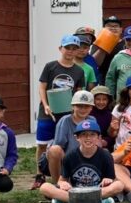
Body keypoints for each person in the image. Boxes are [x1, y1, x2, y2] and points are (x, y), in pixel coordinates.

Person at [32, 35, 87, 189]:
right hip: (48, 111)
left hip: (67, 112)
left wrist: (75, 108)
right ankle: (39, 174)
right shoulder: (50, 66)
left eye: (74, 49)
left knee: (66, 143)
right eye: (67, 48)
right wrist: (46, 105)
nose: (70, 51)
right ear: (60, 49)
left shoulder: (79, 71)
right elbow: (42, 87)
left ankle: (64, 174)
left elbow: (79, 91)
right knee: (42, 144)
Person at [39, 119, 123, 203]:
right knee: (44, 187)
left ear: (99, 137)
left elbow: (112, 180)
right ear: (77, 138)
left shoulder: (105, 155)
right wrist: (63, 183)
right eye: (84, 135)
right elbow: (62, 180)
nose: (88, 138)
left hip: (97, 189)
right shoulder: (70, 156)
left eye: (92, 135)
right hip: (76, 190)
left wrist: (108, 180)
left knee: (119, 185)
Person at [41, 90, 96, 185]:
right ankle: (58, 184)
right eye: (79, 106)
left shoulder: (93, 120)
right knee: (55, 150)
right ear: (73, 106)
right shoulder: (65, 121)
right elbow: (59, 147)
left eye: (86, 106)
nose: (83, 109)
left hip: (87, 158)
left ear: (91, 108)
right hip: (67, 160)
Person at [90, 86, 116, 151]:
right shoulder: (87, 112)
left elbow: (112, 136)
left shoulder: (110, 115)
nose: (101, 102)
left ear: (108, 100)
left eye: (104, 99)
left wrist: (105, 142)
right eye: (98, 99)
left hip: (103, 147)